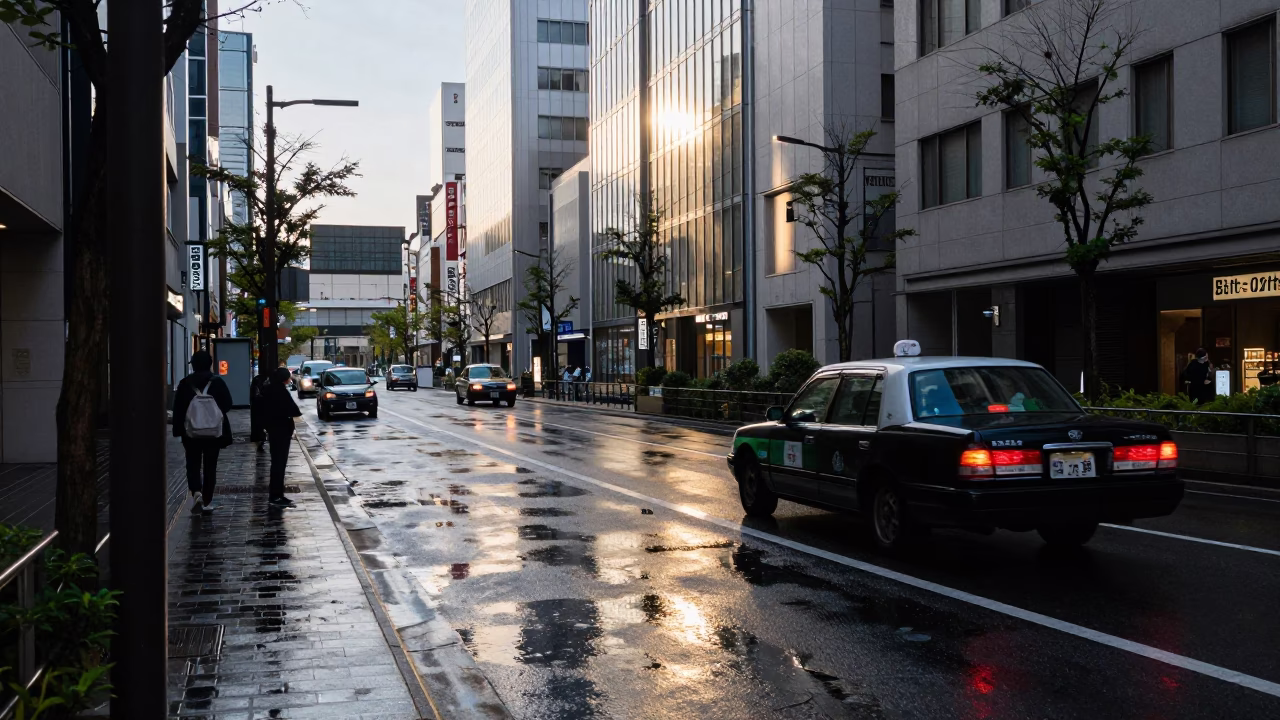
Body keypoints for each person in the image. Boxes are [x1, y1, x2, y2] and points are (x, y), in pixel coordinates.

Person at [172, 350, 233, 514]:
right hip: (214, 432)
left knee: (192, 463)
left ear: (193, 365)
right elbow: (228, 404)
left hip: (190, 432)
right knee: (210, 466)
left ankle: (196, 492)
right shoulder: (218, 382)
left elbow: (177, 409)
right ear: (210, 364)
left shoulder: (185, 383)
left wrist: (178, 430)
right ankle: (207, 500)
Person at [261, 366, 303, 507]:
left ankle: (277, 495)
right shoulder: (280, 391)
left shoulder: (268, 389)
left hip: (273, 429)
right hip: (282, 430)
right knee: (279, 464)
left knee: (276, 463)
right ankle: (276, 496)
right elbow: (294, 410)